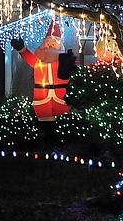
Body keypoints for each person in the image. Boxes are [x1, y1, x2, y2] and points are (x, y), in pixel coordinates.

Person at [11, 17, 77, 145]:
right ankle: (45, 144)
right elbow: (29, 57)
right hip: (42, 96)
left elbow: (73, 72)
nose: (50, 44)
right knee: (45, 122)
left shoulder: (64, 61)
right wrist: (22, 49)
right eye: (48, 42)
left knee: (62, 122)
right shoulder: (38, 60)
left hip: (61, 97)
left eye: (54, 42)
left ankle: (63, 145)